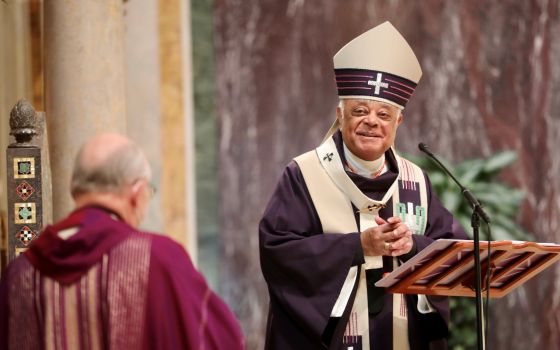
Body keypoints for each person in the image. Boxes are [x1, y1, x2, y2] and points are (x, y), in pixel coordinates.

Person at [259, 21, 468, 350]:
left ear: (398, 122)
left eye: (384, 114)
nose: (372, 121)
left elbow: (453, 252)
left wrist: (411, 246)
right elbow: (278, 253)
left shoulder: (415, 180)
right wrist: (358, 247)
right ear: (340, 115)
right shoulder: (305, 174)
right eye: (360, 110)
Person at [0, 133, 245, 350]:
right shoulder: (159, 260)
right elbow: (221, 339)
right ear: (137, 194)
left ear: (75, 190)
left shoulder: (20, 274)